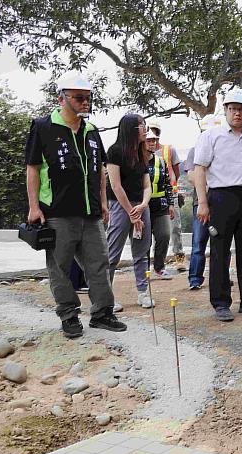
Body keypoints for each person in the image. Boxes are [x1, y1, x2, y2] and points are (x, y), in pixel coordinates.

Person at [24, 71, 126, 338]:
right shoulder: (43, 127)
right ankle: (69, 315)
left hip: (91, 212)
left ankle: (103, 313)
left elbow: (99, 171)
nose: (85, 103)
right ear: (62, 98)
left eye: (88, 98)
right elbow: (33, 168)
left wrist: (103, 203)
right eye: (79, 98)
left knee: (99, 263)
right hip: (57, 212)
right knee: (59, 267)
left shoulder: (92, 131)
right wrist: (34, 207)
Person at [191, 88, 242, 321]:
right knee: (220, 252)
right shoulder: (211, 136)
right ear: (225, 110)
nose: (237, 113)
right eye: (233, 109)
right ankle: (221, 303)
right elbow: (200, 169)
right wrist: (203, 203)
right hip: (220, 198)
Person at [105, 114, 155, 310]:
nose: (145, 129)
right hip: (120, 206)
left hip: (141, 207)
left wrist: (143, 205)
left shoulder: (143, 154)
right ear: (131, 129)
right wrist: (132, 213)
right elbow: (115, 186)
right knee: (112, 253)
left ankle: (143, 293)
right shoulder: (115, 151)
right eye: (142, 126)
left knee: (142, 252)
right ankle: (105, 297)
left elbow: (146, 185)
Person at [186, 114, 223, 290]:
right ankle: (195, 278)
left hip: (220, 203)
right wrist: (210, 184)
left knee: (220, 243)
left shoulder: (224, 150)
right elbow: (192, 175)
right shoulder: (195, 150)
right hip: (200, 204)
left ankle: (220, 277)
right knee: (199, 242)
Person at [147, 119, 184, 265]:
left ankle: (179, 257)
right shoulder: (142, 153)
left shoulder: (169, 150)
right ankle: (155, 261)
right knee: (155, 232)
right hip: (149, 198)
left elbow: (176, 172)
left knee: (175, 227)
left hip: (169, 195)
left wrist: (170, 190)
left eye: (155, 133)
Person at [144, 128, 176, 280]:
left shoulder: (160, 162)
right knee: (144, 239)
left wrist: (171, 204)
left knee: (164, 235)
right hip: (143, 206)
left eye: (154, 140)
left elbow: (168, 184)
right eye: (149, 140)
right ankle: (143, 270)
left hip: (160, 204)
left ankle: (159, 267)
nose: (152, 143)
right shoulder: (136, 161)